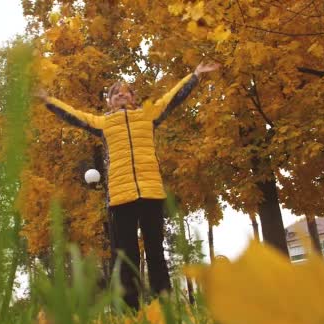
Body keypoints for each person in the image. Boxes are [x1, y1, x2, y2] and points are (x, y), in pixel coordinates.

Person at [37, 61, 221, 310]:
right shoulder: (103, 124)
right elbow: (75, 116)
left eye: (127, 91)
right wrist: (49, 101)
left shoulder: (149, 115)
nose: (122, 94)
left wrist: (195, 76)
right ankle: (130, 310)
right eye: (116, 92)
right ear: (110, 101)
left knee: (156, 253)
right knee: (126, 256)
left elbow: (172, 98)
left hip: (151, 192)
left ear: (134, 98)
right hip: (121, 198)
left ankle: (164, 308)